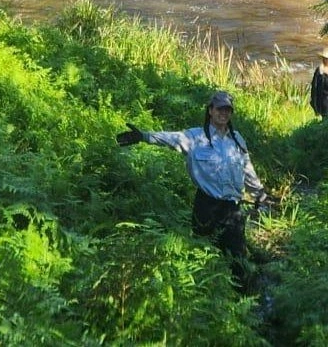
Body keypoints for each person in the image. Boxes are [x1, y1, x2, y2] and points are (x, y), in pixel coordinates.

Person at [115, 91, 270, 290]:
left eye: (228, 109)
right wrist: (144, 136)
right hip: (206, 207)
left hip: (233, 209)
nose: (224, 113)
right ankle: (205, 298)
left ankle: (241, 302)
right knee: (203, 257)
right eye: (220, 109)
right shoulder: (195, 137)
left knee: (238, 260)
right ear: (210, 111)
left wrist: (260, 193)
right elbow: (170, 138)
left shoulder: (237, 139)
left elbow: (247, 168)